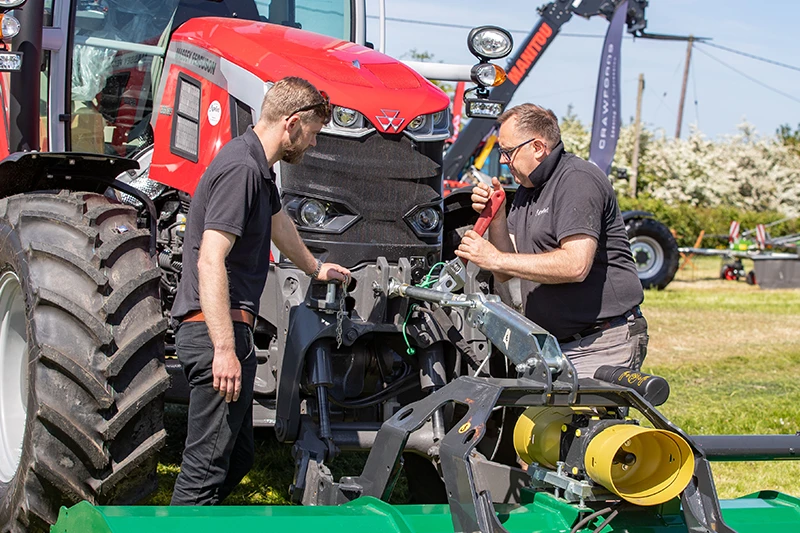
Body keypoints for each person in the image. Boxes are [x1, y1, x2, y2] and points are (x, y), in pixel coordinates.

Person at [169, 77, 351, 505]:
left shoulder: (256, 166)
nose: (312, 145)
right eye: (313, 134)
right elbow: (210, 258)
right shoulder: (242, 170)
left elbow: (278, 223)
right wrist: (224, 349)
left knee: (239, 457)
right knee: (204, 472)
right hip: (215, 332)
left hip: (230, 332)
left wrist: (315, 267)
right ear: (292, 124)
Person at [456, 103, 648, 379]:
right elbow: (504, 271)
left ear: (537, 147)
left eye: (507, 152)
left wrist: (493, 257)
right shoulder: (527, 190)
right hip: (554, 346)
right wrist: (497, 218)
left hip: (599, 343)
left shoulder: (577, 181)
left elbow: (575, 265)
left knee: (585, 422)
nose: (502, 161)